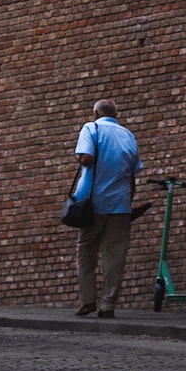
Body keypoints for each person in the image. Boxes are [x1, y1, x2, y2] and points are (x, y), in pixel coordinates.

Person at [68, 97, 142, 318]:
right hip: (120, 205)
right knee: (115, 256)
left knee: (86, 251)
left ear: (96, 113)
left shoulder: (91, 128)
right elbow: (133, 174)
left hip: (94, 203)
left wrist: (81, 157)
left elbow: (88, 157)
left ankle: (88, 300)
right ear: (115, 114)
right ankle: (108, 304)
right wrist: (129, 202)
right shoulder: (128, 135)